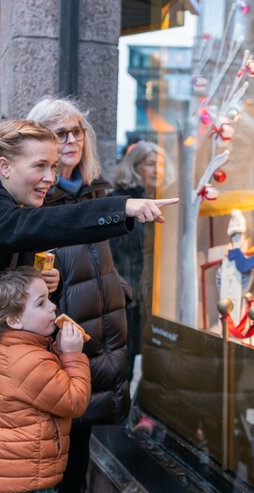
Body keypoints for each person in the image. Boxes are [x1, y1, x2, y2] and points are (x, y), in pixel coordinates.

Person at [0, 119, 177, 493]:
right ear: (3, 166)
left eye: (53, 167)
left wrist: (34, 281)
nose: (49, 178)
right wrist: (122, 207)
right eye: (39, 166)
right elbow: (35, 226)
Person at [27, 97, 134, 493]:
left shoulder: (97, 190)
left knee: (80, 447)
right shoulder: (36, 197)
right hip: (57, 341)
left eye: (77, 131)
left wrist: (122, 289)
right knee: (52, 453)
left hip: (98, 337)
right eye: (60, 133)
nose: (72, 140)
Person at [0, 268, 90, 493]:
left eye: (49, 298)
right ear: (14, 320)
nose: (52, 307)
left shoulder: (10, 351)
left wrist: (57, 350)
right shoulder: (30, 361)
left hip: (1, 482)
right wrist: (73, 355)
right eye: (41, 302)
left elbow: (43, 387)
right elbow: (74, 402)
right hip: (25, 490)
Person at [104, 141, 160, 384]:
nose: (158, 170)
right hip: (125, 294)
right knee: (123, 361)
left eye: (161, 165)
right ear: (135, 167)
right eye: (151, 164)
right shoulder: (122, 202)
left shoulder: (159, 200)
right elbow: (116, 252)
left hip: (149, 295)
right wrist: (128, 290)